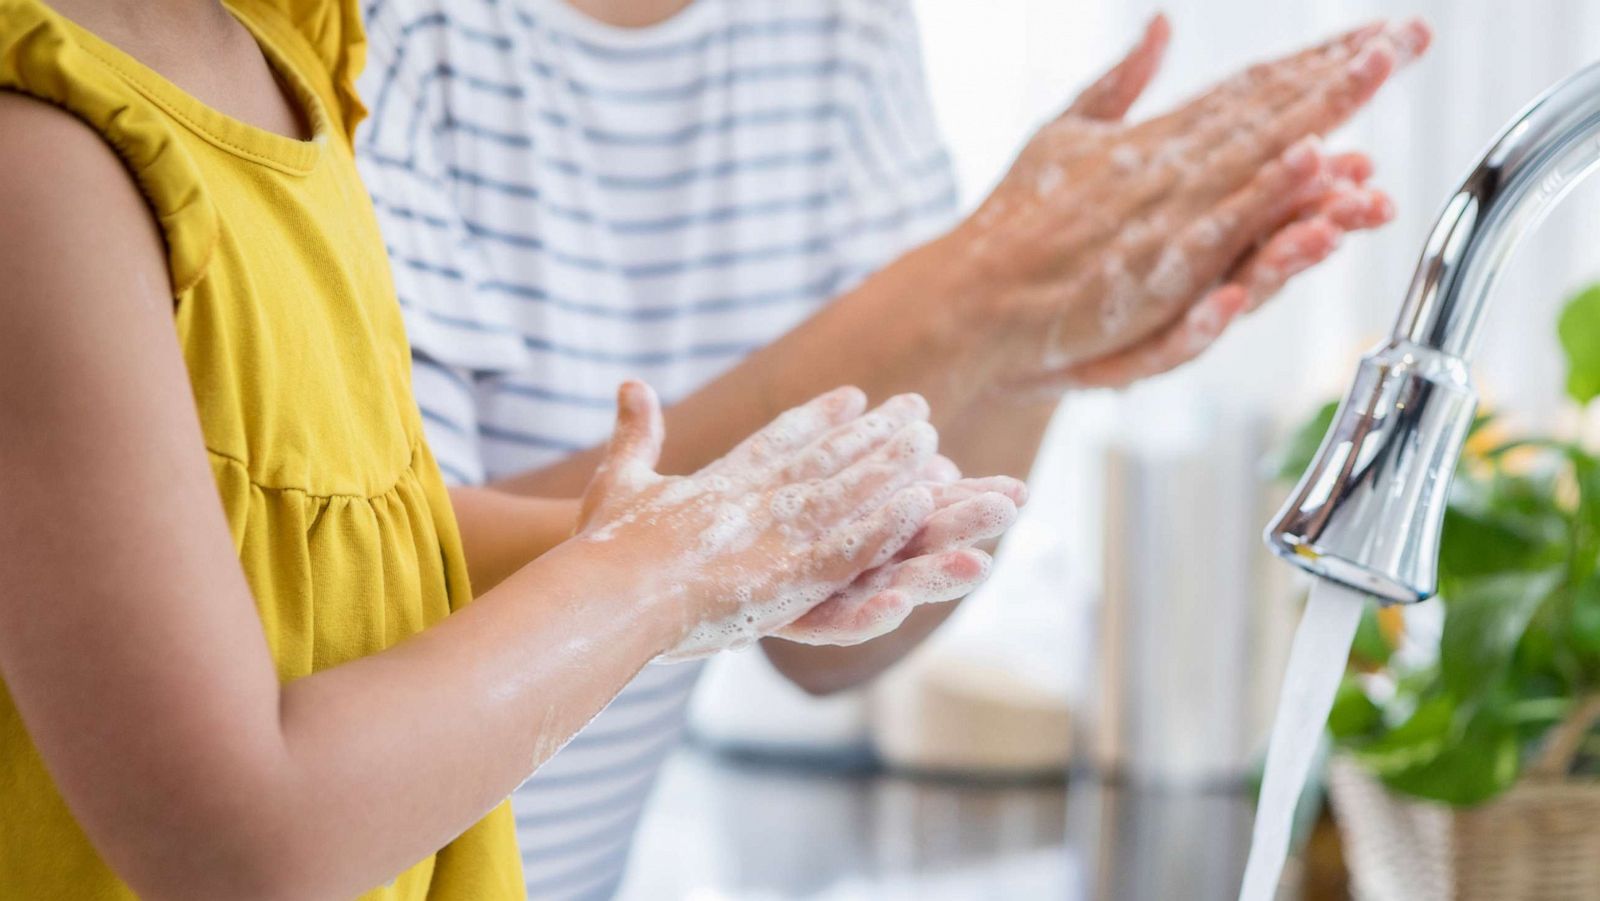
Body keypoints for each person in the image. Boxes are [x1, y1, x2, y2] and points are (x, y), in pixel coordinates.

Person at [355, 0, 1430, 895]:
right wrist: (973, 289)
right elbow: (373, 583)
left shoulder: (840, 27)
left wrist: (1034, 344)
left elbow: (834, 649)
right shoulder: (373, 31)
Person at [0, 0, 1024, 897]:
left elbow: (329, 533)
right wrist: (655, 575)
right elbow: (238, 841)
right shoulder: (37, 159)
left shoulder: (293, 51)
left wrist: (701, 544)